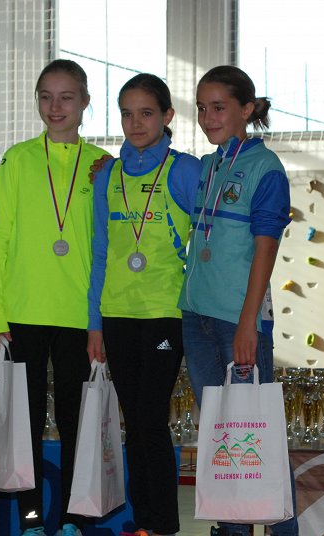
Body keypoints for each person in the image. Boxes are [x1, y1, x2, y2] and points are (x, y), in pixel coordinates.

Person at [0, 59, 109, 536]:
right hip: (22, 314)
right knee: (24, 425)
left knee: (77, 423)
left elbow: (107, 249)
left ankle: (74, 519)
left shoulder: (103, 166)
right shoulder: (17, 159)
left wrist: (101, 320)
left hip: (80, 316)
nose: (55, 107)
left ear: (85, 102)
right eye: (46, 97)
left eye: (66, 97)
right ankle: (32, 519)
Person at [178, 65, 299, 536]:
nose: (208, 118)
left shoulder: (265, 168)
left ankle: (283, 530)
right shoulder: (208, 166)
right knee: (221, 438)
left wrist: (250, 322)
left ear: (246, 110)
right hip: (197, 317)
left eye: (219, 108)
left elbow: (266, 248)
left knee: (258, 438)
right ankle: (231, 530)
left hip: (237, 321)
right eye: (201, 108)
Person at [87, 73, 201, 536]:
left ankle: (165, 525)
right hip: (117, 316)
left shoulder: (185, 170)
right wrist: (94, 324)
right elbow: (100, 253)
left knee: (151, 418)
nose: (136, 123)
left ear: (167, 115)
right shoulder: (107, 175)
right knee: (133, 422)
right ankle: (144, 522)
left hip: (164, 315)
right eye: (127, 114)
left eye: (147, 113)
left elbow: (212, 238)